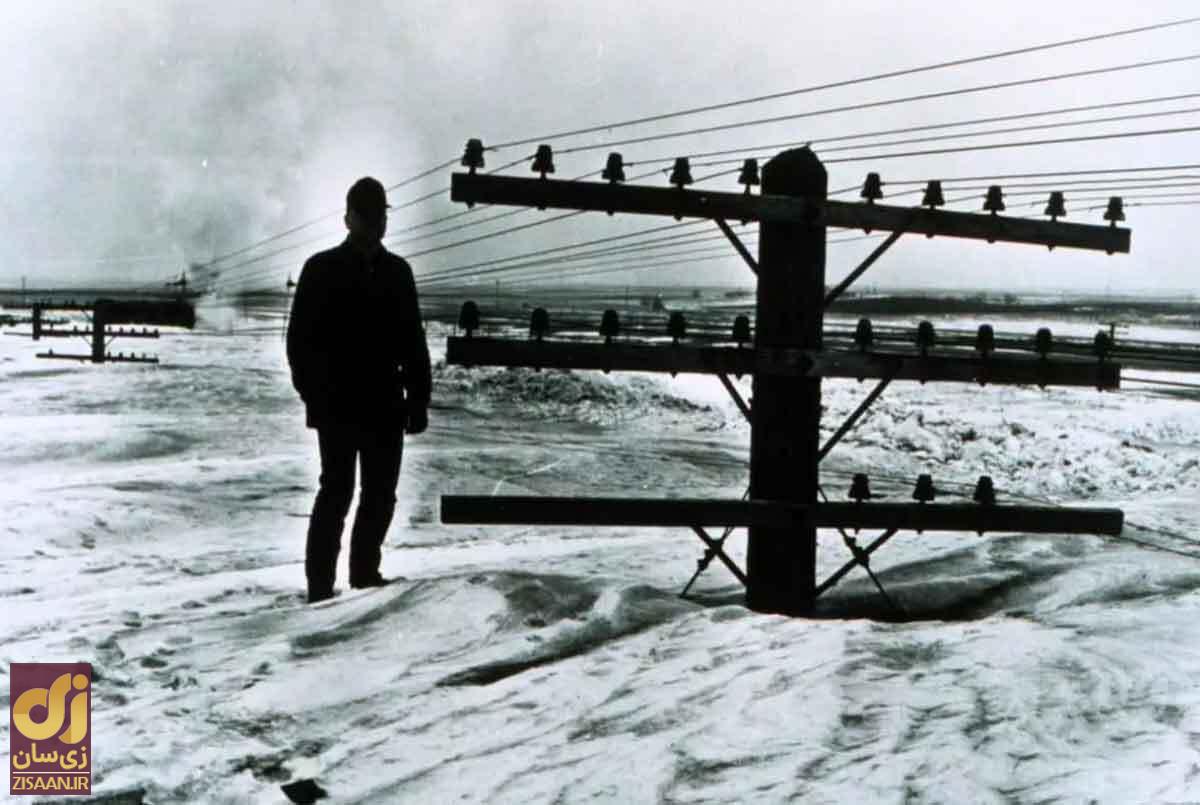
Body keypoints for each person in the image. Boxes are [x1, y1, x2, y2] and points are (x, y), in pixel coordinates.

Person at [286, 176, 431, 604]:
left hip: (385, 404)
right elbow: (299, 344)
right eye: (367, 215)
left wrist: (418, 401)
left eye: (379, 214)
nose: (375, 222)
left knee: (379, 495)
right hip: (339, 405)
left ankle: (364, 576)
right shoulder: (321, 269)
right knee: (337, 492)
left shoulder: (398, 272)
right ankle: (320, 588)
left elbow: (413, 341)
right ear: (348, 218)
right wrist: (316, 396)